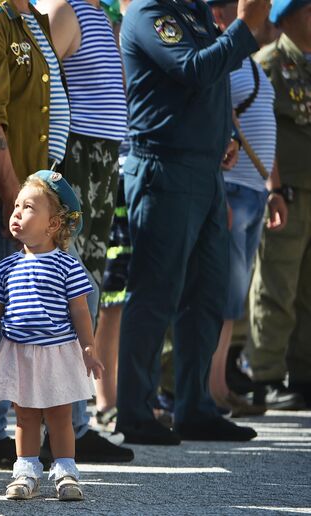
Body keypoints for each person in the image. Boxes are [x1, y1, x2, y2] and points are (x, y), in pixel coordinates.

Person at [0, 0, 132, 469]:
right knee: (8, 312)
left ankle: (70, 428)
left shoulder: (29, 19)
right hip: (15, 194)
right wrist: (17, 202)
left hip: (41, 190)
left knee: (57, 305)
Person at [115, 0, 268, 444]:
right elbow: (196, 69)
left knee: (205, 295)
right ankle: (135, 412)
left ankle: (195, 407)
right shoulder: (150, 12)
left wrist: (225, 134)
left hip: (203, 172)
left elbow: (209, 83)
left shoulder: (195, 12)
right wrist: (244, 26)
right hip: (164, 169)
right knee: (155, 292)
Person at [0, 171, 102, 501]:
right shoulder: (7, 266)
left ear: (53, 224)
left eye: (28, 207)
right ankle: (26, 470)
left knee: (60, 414)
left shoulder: (67, 266)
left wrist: (88, 345)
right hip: (18, 350)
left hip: (57, 351)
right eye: (16, 206)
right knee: (24, 415)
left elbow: (79, 309)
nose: (17, 212)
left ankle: (65, 471)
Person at [38, 0, 128, 430]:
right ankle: (55, 421)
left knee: (86, 285)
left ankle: (75, 419)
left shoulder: (102, 17)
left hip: (104, 159)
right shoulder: (63, 11)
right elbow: (40, 89)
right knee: (64, 286)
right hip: (76, 158)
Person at [206, 0, 280, 416]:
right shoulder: (225, 57)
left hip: (253, 190)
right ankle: (212, 389)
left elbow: (262, 121)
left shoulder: (245, 58)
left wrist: (275, 188)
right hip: (232, 187)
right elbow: (218, 118)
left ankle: (218, 386)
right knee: (221, 294)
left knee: (234, 297)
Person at [249, 0, 311, 409]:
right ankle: (266, 376)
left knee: (307, 288)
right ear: (285, 16)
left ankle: (302, 373)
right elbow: (258, 125)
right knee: (276, 284)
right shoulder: (268, 63)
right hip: (287, 191)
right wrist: (273, 187)